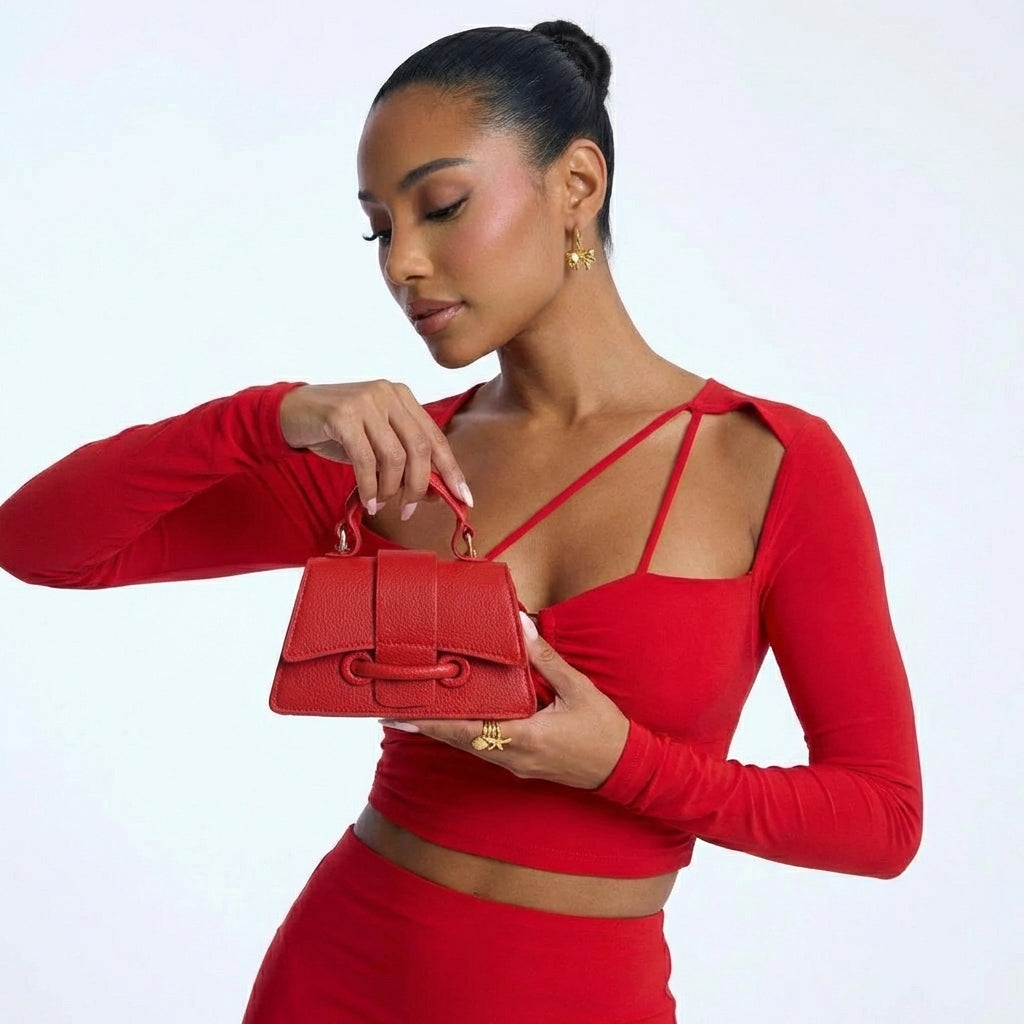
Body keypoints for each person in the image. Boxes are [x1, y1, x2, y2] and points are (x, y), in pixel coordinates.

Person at [0, 19, 923, 1024]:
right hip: (340, 975)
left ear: (577, 185)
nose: (403, 261)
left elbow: (880, 821)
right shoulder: (391, 461)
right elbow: (40, 544)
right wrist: (265, 417)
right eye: (379, 229)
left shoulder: (769, 463)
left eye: (441, 207)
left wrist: (621, 764)